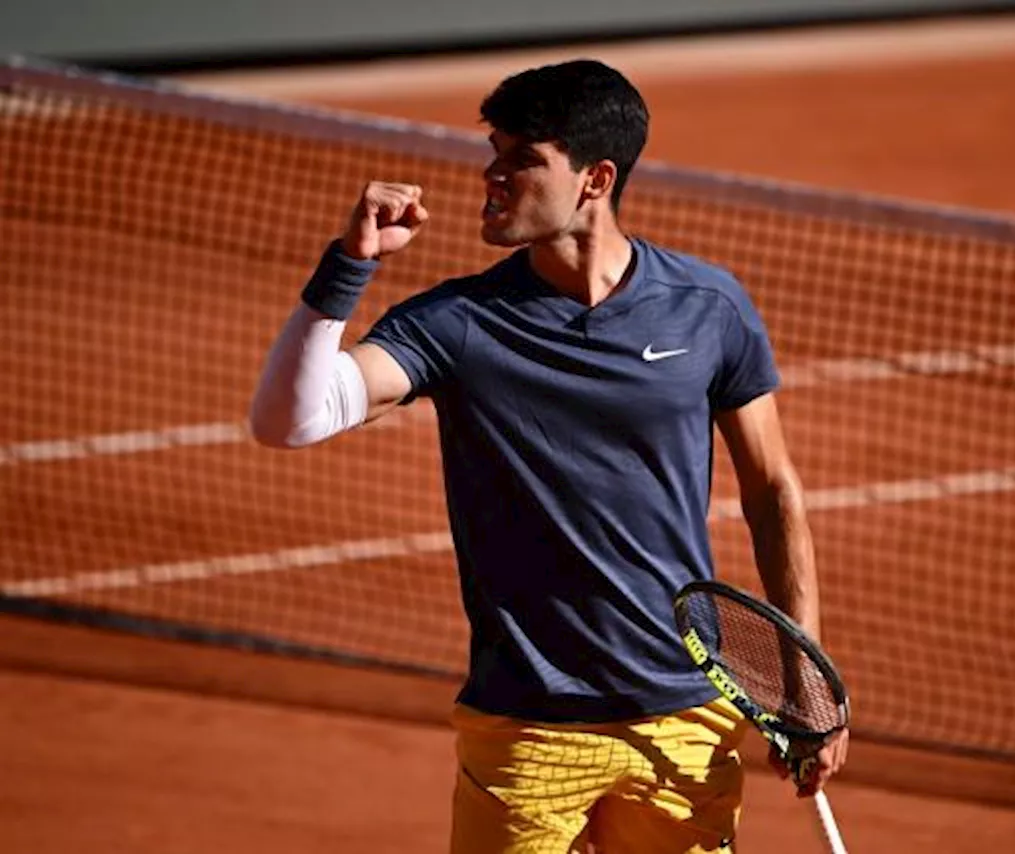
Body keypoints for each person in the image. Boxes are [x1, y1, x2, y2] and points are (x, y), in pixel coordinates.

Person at [249, 58, 847, 854]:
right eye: (493, 151)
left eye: (521, 157)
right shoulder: (457, 324)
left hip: (682, 721)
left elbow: (772, 490)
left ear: (595, 179)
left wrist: (800, 678)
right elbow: (290, 421)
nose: (491, 176)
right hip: (528, 727)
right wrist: (347, 268)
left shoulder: (709, 308)